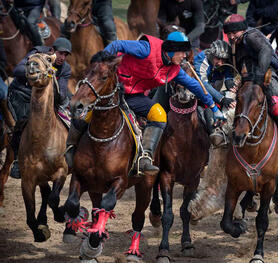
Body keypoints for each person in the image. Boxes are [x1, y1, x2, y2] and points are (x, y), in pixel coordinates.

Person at [64, 31, 226, 176]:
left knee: (159, 114)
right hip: (111, 89)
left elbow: (195, 86)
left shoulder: (174, 69)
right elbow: (118, 44)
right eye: (182, 53)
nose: (184, 56)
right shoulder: (146, 49)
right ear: (171, 50)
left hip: (135, 96)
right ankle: (71, 146)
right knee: (86, 113)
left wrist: (213, 107)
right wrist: (103, 64)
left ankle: (145, 157)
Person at [223, 14, 278, 159]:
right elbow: (231, 67)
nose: (231, 36)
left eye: (234, 33)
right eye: (228, 33)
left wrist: (260, 76)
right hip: (248, 79)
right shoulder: (235, 45)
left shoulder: (251, 36)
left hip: (267, 74)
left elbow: (265, 51)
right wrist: (230, 80)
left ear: (242, 30)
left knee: (274, 101)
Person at [8, 37, 72, 178]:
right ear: (52, 51)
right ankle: (18, 161)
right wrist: (37, 72)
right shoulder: (37, 53)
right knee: (23, 123)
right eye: (60, 53)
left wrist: (50, 77)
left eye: (65, 55)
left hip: (45, 100)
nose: (62, 57)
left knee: (70, 120)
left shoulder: (65, 69)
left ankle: (69, 155)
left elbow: (61, 95)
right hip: (21, 95)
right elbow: (17, 70)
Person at [193, 39, 236, 144]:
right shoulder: (201, 59)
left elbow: (228, 71)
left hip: (215, 93)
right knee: (209, 111)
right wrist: (222, 99)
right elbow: (204, 85)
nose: (220, 63)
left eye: (223, 60)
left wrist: (229, 81)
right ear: (212, 55)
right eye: (218, 59)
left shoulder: (224, 62)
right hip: (198, 95)